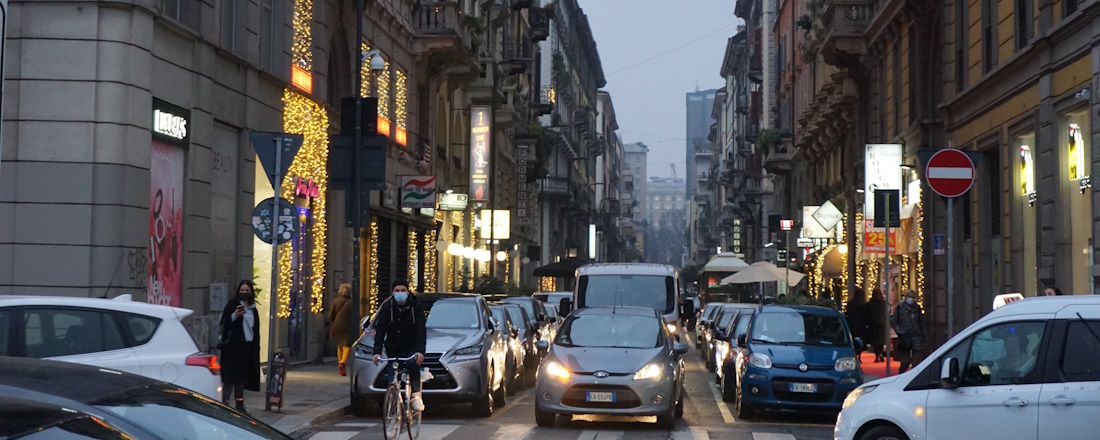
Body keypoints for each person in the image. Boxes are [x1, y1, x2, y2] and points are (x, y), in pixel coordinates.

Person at [371, 280, 427, 411]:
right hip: (393, 347)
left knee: (413, 366)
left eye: (403, 290)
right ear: (392, 293)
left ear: (408, 292)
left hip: (411, 346)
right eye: (397, 291)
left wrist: (420, 351)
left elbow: (421, 330)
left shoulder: (415, 308)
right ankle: (393, 401)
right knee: (392, 373)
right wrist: (377, 351)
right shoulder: (387, 308)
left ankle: (416, 396)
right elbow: (381, 330)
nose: (400, 293)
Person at [220, 280, 261, 412]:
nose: (244, 293)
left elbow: (255, 328)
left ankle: (239, 404)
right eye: (242, 290)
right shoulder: (233, 305)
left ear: (251, 292)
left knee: (242, 377)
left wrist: (255, 346)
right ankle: (225, 404)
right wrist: (235, 316)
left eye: (246, 291)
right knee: (230, 377)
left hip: (247, 347)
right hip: (233, 348)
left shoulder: (253, 309)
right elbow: (224, 322)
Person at [892, 290, 927, 374]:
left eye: (912, 297)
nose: (911, 299)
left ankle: (913, 376)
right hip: (905, 336)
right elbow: (894, 321)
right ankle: (901, 375)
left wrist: (924, 335)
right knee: (905, 361)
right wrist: (899, 331)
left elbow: (921, 322)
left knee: (916, 361)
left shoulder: (917, 308)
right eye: (909, 297)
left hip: (916, 336)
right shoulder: (900, 307)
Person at [329, 283, 353, 376]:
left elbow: (331, 315)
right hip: (347, 326)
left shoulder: (336, 301)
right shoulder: (351, 303)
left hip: (337, 325)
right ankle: (343, 362)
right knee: (346, 346)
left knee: (339, 345)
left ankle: (340, 363)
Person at [865, 288, 888, 363]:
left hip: (873, 324)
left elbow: (867, 314)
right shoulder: (884, 303)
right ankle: (880, 354)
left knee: (875, 341)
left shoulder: (870, 304)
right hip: (882, 324)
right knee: (881, 340)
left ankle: (877, 355)